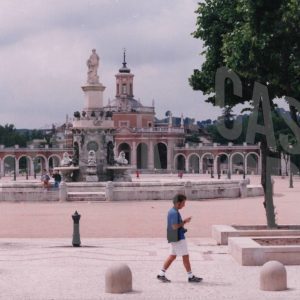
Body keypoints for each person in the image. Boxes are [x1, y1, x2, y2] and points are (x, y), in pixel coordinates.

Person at [157, 194, 202, 283]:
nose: (184, 205)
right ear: (178, 203)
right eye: (183, 203)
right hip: (178, 238)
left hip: (173, 237)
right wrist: (185, 221)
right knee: (185, 256)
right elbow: (174, 226)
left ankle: (161, 274)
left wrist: (183, 224)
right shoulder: (174, 213)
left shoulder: (172, 211)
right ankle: (190, 276)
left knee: (172, 256)